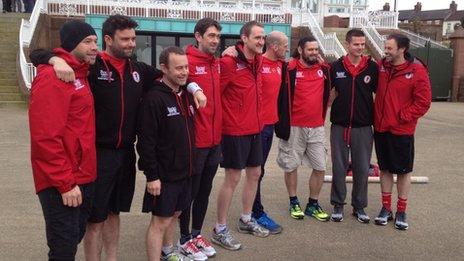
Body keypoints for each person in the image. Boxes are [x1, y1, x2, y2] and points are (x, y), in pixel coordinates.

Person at [29, 15, 206, 261]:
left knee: (114, 213)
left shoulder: (138, 70)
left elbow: (174, 75)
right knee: (95, 219)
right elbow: (38, 54)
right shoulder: (92, 66)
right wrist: (53, 58)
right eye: (125, 39)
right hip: (97, 154)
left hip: (125, 154)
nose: (131, 44)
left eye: (133, 38)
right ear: (108, 40)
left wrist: (194, 87)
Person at [29, 20, 98, 261]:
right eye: (87, 42)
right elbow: (45, 138)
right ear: (70, 45)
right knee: (63, 250)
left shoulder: (82, 72)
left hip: (84, 176)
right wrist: (65, 183)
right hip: (62, 181)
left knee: (72, 240)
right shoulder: (53, 77)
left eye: (95, 42)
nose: (94, 48)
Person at [212, 20, 269, 251]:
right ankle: (220, 228)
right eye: (257, 37)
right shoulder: (228, 62)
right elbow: (215, 94)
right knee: (233, 178)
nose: (261, 42)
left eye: (263, 38)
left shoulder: (260, 61)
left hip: (255, 128)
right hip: (234, 130)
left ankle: (246, 218)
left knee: (255, 173)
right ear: (244, 38)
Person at [137, 46, 195, 261]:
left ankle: (168, 253)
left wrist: (195, 88)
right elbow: (145, 142)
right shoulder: (154, 98)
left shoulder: (184, 94)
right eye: (178, 68)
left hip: (185, 171)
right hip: (164, 175)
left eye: (186, 67)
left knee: (175, 214)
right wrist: (152, 176)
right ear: (164, 68)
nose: (184, 72)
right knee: (160, 221)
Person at [373, 34, 431, 230]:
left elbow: (423, 102)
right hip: (381, 128)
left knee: (404, 171)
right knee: (385, 169)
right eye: (385, 47)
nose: (385, 51)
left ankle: (401, 211)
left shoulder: (417, 70)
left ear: (402, 49)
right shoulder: (382, 66)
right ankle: (386, 208)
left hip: (401, 129)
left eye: (389, 48)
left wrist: (402, 116)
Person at [176, 18, 222, 260]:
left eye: (217, 36)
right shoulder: (187, 60)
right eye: (211, 36)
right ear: (198, 36)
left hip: (215, 141)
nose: (215, 40)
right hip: (196, 141)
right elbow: (180, 80)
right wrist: (194, 87)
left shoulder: (217, 63)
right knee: (189, 193)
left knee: (205, 191)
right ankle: (184, 239)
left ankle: (196, 235)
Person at [275, 36, 331, 222]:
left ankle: (312, 204)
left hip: (317, 128)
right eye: (310, 50)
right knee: (291, 166)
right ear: (300, 50)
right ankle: (294, 202)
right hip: (293, 127)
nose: (314, 53)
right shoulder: (288, 68)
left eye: (316, 49)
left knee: (320, 167)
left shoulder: (324, 69)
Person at [329, 29, 378, 223]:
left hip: (363, 127)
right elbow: (327, 91)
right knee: (339, 167)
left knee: (361, 168)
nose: (359, 47)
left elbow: (382, 94)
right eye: (356, 44)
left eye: (362, 44)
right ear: (348, 44)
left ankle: (359, 207)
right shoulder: (336, 67)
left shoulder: (372, 68)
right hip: (340, 126)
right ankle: (338, 204)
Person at [251, 31, 288, 234]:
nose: (287, 48)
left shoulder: (281, 65)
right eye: (284, 45)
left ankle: (254, 211)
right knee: (255, 172)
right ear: (274, 46)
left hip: (270, 126)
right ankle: (256, 213)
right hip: (256, 126)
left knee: (259, 171)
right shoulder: (258, 63)